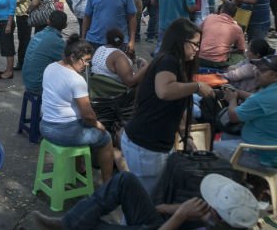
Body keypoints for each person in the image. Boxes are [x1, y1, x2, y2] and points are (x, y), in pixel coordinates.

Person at [122, 19, 215, 194]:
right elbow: (164, 91)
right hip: (146, 145)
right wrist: (197, 87)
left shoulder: (177, 64)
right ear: (181, 42)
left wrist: (184, 136)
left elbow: (175, 106)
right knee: (145, 201)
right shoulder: (168, 61)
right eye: (195, 44)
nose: (197, 49)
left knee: (149, 198)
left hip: (153, 144)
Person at [28, 172, 259, 230]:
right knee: (125, 181)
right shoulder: (219, 220)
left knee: (93, 226)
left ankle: (68, 224)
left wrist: (179, 217)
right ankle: (69, 223)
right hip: (161, 224)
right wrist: (169, 209)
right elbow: (189, 213)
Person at [40, 35, 115, 183]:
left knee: (81, 125)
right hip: (62, 131)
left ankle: (79, 168)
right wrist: (99, 125)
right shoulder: (76, 80)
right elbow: (88, 115)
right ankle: (108, 183)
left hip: (45, 126)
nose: (87, 65)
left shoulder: (51, 67)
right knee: (106, 138)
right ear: (73, 56)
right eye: (85, 61)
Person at [216, 55, 277, 168]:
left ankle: (239, 177)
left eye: (262, 71)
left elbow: (233, 116)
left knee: (213, 148)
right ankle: (241, 175)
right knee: (227, 134)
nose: (256, 72)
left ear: (276, 76)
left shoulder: (264, 98)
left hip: (264, 157)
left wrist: (232, 99)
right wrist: (238, 92)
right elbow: (257, 100)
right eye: (257, 68)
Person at [22, 11, 67, 95]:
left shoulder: (38, 34)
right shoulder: (57, 42)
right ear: (65, 25)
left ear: (48, 21)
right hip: (38, 86)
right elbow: (70, 62)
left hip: (27, 81)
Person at [198, 2, 246, 68]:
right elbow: (241, 49)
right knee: (241, 57)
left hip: (200, 58)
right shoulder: (237, 28)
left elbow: (198, 32)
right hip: (218, 63)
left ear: (221, 10)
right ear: (234, 15)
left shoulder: (209, 17)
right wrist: (229, 51)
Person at [14, 0, 36, 71]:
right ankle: (22, 62)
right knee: (22, 39)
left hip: (25, 11)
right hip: (19, 11)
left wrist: (11, 0)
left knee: (25, 39)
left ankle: (24, 63)